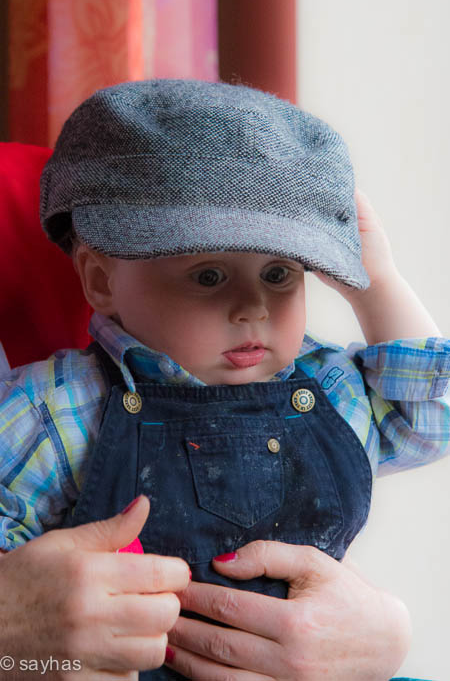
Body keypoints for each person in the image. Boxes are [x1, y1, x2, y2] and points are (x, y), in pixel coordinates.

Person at [0, 79, 448, 680]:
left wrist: (379, 280)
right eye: (209, 275)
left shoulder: (327, 388)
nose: (253, 308)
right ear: (102, 282)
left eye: (280, 273)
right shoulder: (56, 409)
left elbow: (428, 419)